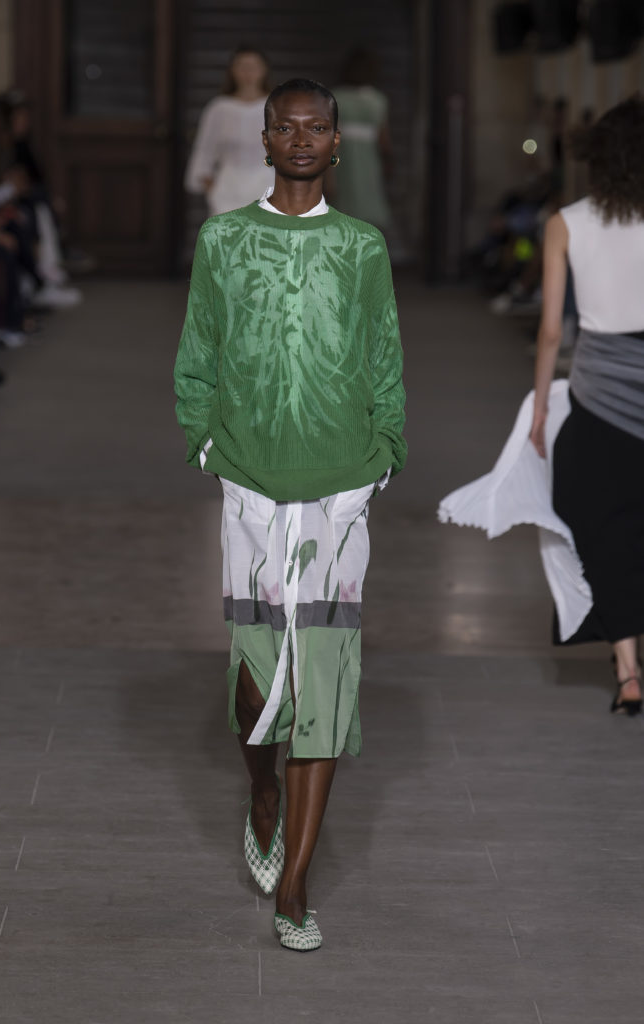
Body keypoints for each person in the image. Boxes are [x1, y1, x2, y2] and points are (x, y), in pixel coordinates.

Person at [174, 78, 407, 950]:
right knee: (256, 680)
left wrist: (384, 451)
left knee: (324, 681)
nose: (302, 138)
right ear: (264, 140)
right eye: (286, 127)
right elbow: (198, 350)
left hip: (341, 488)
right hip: (248, 481)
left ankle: (295, 886)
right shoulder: (224, 239)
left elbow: (383, 353)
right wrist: (205, 443)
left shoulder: (361, 246)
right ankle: (261, 783)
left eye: (317, 127)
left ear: (337, 142)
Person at [530, 96, 644, 715]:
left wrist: (542, 409)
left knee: (604, 526)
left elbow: (553, 330)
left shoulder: (567, 221)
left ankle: (628, 669)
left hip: (598, 395)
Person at [183, 46, 274, 215]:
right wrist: (210, 186)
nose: (248, 73)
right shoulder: (219, 108)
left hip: (267, 186)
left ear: (264, 70)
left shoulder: (276, 106)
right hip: (228, 188)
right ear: (232, 71)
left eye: (253, 67)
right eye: (242, 67)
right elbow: (205, 148)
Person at [329, 48, 393, 230]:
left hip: (360, 159)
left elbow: (383, 135)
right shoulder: (373, 99)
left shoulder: (374, 99)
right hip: (354, 159)